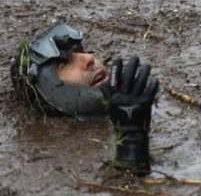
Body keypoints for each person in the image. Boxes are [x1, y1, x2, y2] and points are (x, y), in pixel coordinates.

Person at [9, 22, 159, 176]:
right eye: (64, 63)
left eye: (81, 51)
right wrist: (131, 147)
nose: (89, 58)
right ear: (48, 88)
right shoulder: (59, 167)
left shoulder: (141, 107)